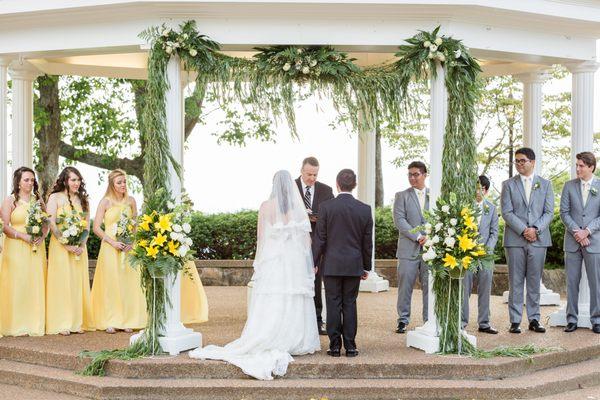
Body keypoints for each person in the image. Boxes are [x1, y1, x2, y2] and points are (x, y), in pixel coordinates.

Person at [189, 170, 320, 380]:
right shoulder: (298, 209)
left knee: (272, 297)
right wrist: (309, 264)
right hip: (293, 261)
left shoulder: (266, 207)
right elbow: (306, 242)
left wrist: (260, 263)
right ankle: (295, 338)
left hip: (274, 261)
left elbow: (262, 239)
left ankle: (269, 334)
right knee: (293, 296)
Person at [312, 169, 373, 357]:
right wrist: (366, 266)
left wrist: (314, 262)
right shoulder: (364, 209)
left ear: (337, 184)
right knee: (349, 303)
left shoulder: (326, 208)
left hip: (331, 264)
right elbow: (367, 242)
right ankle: (351, 346)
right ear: (354, 185)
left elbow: (319, 239)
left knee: (333, 303)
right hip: (354, 265)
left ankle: (335, 346)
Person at [501, 147, 554, 334]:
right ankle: (515, 321)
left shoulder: (546, 184)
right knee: (515, 281)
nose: (519, 164)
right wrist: (524, 230)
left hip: (539, 240)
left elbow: (549, 212)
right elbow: (506, 212)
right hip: (515, 239)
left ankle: (534, 319)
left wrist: (536, 229)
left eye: (522, 161)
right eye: (516, 161)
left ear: (532, 162)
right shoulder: (508, 184)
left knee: (534, 281)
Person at [90, 169, 146, 333]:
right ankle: (111, 320)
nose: (123, 185)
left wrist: (132, 241)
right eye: (119, 182)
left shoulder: (131, 201)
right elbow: (96, 228)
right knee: (111, 283)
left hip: (129, 249)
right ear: (112, 185)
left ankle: (128, 320)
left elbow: (135, 225)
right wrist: (112, 242)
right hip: (110, 248)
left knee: (129, 284)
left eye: (124, 182)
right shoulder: (105, 202)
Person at [45, 167, 94, 335]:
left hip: (79, 249)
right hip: (60, 247)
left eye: (78, 180)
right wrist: (66, 244)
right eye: (73, 180)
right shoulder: (55, 197)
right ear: (65, 181)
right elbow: (52, 224)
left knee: (76, 283)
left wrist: (81, 245)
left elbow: (86, 226)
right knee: (62, 282)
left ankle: (76, 322)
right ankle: (62, 322)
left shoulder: (84, 200)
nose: (77, 183)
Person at [0, 167, 47, 336]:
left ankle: (34, 323)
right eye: (26, 180)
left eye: (32, 180)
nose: (30, 183)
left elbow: (46, 222)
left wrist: (42, 237)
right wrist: (21, 236)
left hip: (35, 248)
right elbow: (4, 226)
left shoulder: (38, 200)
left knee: (34, 283)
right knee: (18, 284)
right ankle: (16, 324)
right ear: (18, 182)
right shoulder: (10, 200)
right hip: (16, 246)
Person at [559, 152, 600, 334]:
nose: (577, 168)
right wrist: (578, 232)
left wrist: (587, 231)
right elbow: (564, 213)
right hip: (573, 241)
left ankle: (597, 320)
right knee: (572, 282)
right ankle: (572, 319)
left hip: (594, 241)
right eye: (577, 165)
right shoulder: (569, 186)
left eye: (581, 166)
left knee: (596, 283)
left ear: (591, 167)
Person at [295, 156, 334, 335]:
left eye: (315, 175)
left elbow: (333, 215)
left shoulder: (326, 190)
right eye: (309, 174)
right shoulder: (291, 187)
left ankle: (318, 321)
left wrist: (318, 218)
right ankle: (297, 321)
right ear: (301, 171)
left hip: (318, 244)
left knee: (316, 284)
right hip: (294, 244)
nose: (312, 178)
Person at [393, 161, 429, 334]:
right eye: (410, 174)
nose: (412, 177)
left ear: (424, 175)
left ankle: (429, 320)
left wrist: (430, 236)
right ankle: (403, 320)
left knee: (430, 286)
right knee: (405, 286)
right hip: (408, 249)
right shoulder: (401, 196)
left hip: (430, 250)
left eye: (416, 174)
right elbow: (399, 220)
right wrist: (418, 236)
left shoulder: (435, 194)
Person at [462, 175, 499, 334]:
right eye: (476, 188)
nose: (478, 191)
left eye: (482, 188)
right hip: (467, 254)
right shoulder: (464, 207)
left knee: (485, 289)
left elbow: (494, 233)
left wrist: (487, 249)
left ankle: (484, 323)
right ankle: (461, 322)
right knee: (465, 289)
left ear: (486, 190)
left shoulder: (491, 208)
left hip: (485, 256)